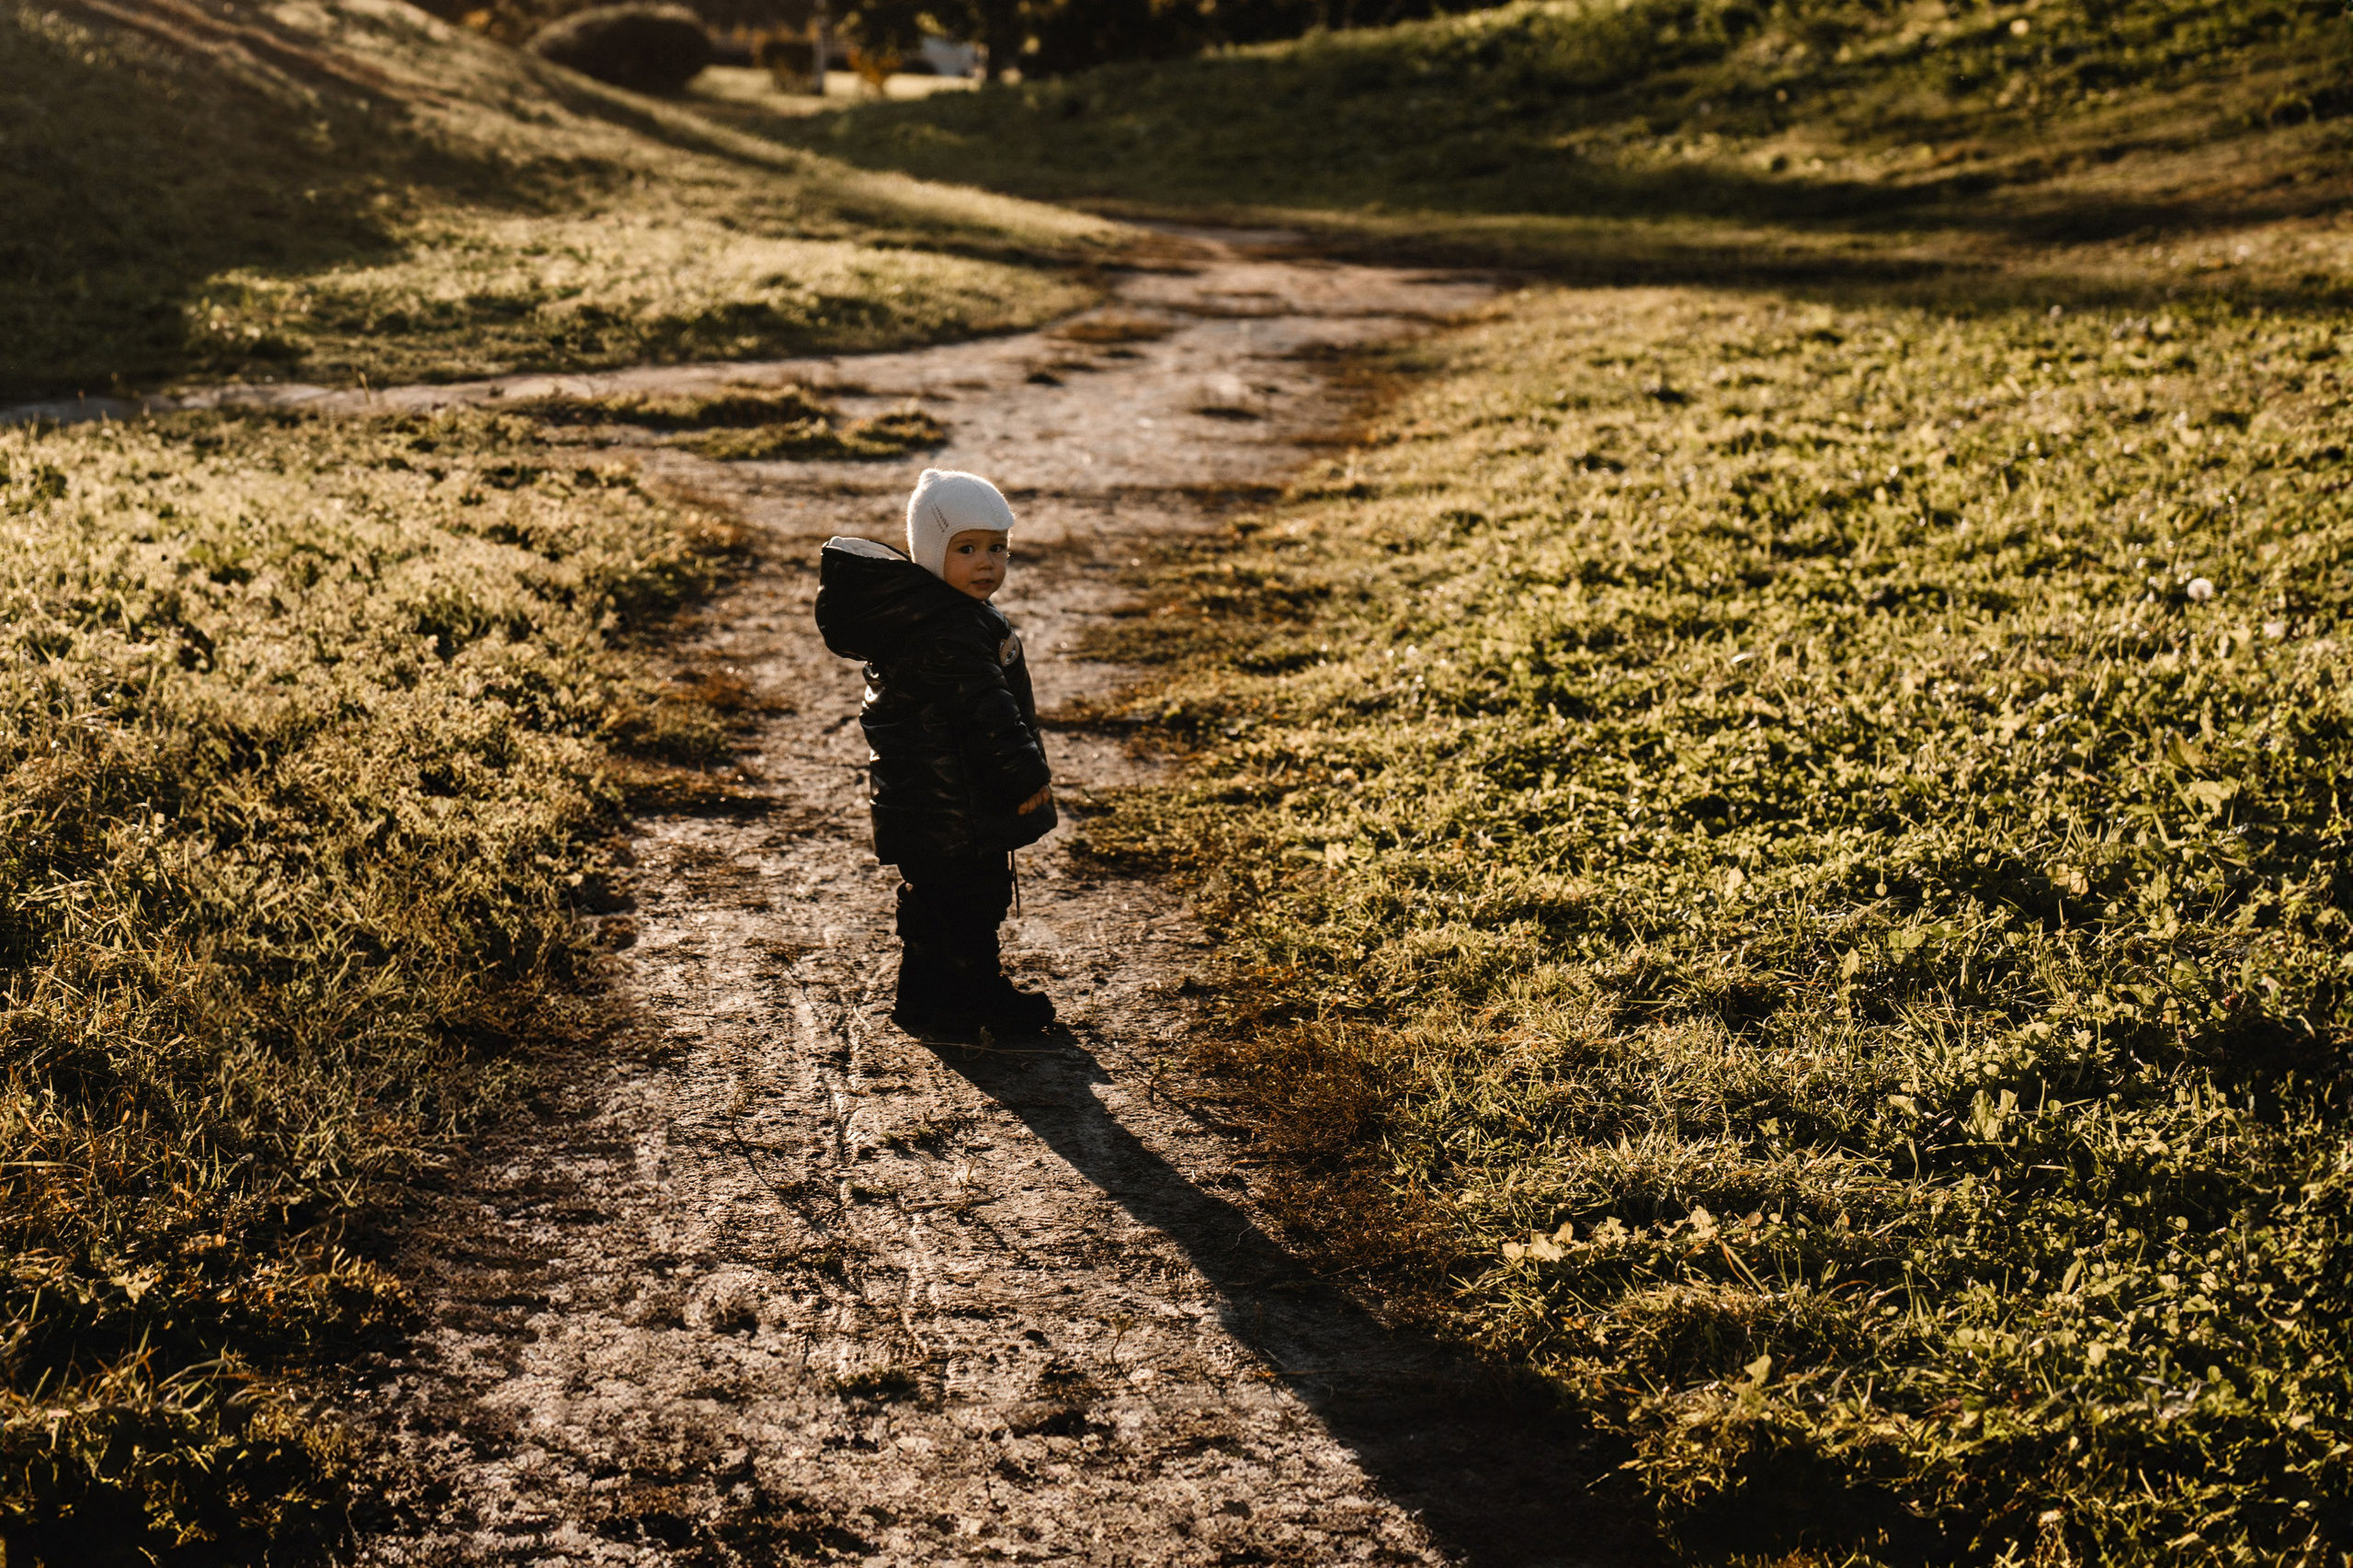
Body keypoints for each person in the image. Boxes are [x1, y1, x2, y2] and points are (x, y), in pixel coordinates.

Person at [813, 469, 1059, 1038]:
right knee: (971, 905)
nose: (987, 563)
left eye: (998, 548)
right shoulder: (946, 631)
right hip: (954, 805)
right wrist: (1025, 777)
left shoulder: (929, 616)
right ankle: (976, 1000)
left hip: (931, 800)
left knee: (938, 902)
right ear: (929, 552)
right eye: (966, 548)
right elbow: (987, 714)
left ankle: (924, 998)